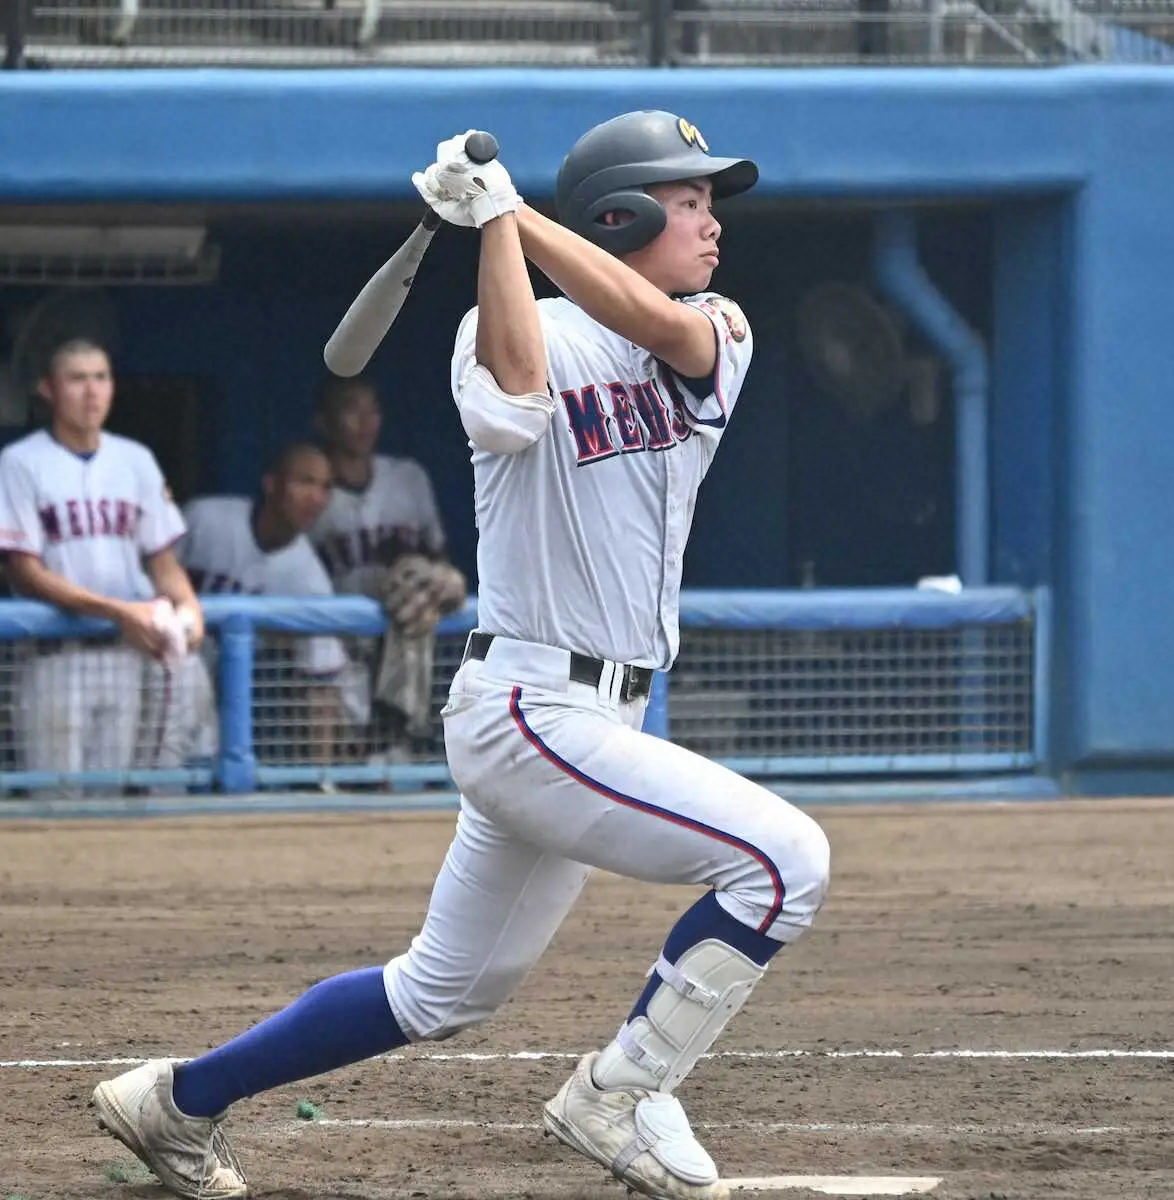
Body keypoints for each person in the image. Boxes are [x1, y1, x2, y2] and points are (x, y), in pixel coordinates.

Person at [90, 111, 831, 1200]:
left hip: (598, 716)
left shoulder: (716, 326)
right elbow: (517, 408)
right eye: (688, 201)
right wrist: (497, 224)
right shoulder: (504, 326)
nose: (712, 223)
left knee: (441, 992)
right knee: (783, 862)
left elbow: (656, 331)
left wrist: (508, 210)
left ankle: (174, 1102)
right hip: (532, 706)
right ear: (620, 212)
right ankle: (621, 1089)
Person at [0, 339, 203, 789]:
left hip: (122, 656)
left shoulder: (136, 460)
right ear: (47, 389)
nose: (92, 391)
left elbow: (162, 560)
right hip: (53, 655)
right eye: (77, 379)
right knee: (53, 799)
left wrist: (190, 606)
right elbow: (25, 572)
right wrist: (118, 610)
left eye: (101, 378)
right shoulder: (19, 463)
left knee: (111, 800)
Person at [310, 375, 465, 761]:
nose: (365, 422)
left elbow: (438, 556)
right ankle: (401, 719)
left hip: (410, 639)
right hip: (346, 647)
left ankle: (402, 717)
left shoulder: (408, 478)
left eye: (373, 410)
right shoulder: (311, 488)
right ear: (324, 421)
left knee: (419, 574)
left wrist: (439, 579)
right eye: (351, 410)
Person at [178, 443, 350, 769]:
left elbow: (322, 681)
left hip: (223, 703)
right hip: (164, 672)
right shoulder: (205, 517)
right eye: (305, 482)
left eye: (326, 487)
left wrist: (320, 775)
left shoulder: (310, 581)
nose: (317, 497)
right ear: (272, 484)